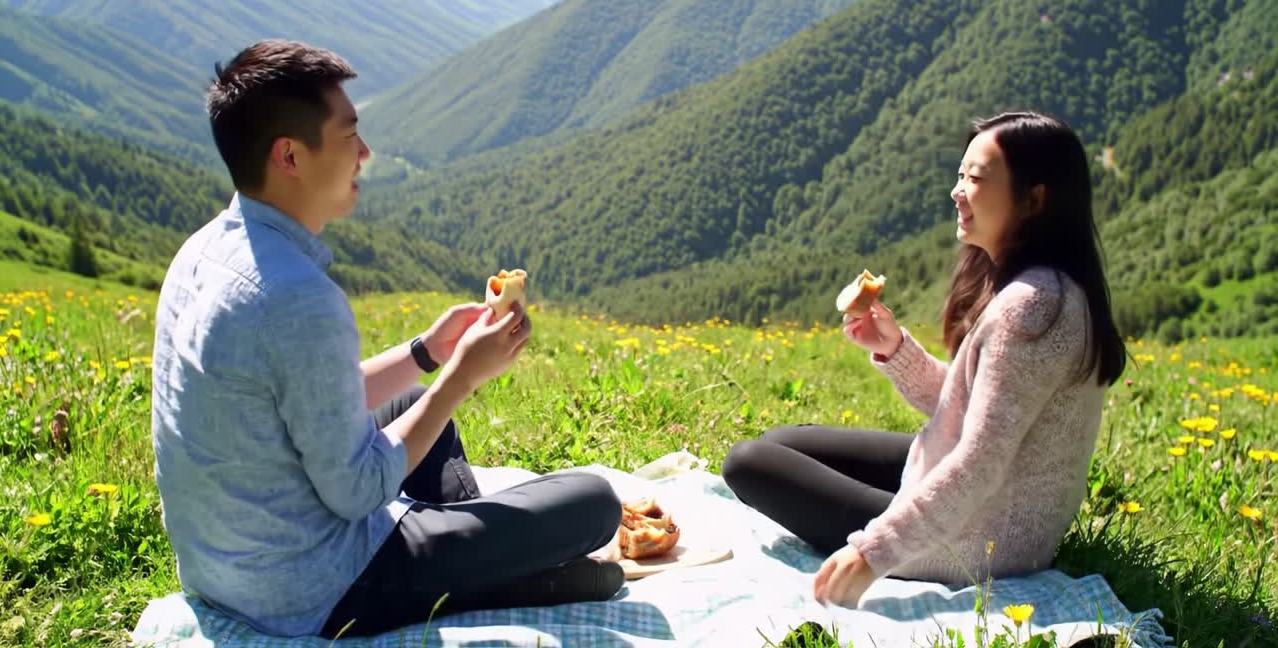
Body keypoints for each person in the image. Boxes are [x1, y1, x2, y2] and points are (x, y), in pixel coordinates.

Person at [150, 40, 624, 639]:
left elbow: (306, 403)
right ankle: (492, 573)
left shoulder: (203, 251)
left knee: (407, 401)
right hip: (316, 588)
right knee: (595, 502)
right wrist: (460, 379)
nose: (365, 152)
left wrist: (427, 352)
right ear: (290, 155)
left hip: (225, 565)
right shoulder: (296, 295)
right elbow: (356, 492)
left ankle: (476, 556)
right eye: (350, 135)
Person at [722, 111, 1126, 608]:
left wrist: (873, 553)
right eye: (960, 175)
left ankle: (896, 525)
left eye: (975, 179)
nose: (957, 191)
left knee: (749, 463)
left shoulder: (1032, 306)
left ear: (1034, 199)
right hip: (992, 504)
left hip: (980, 540)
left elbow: (980, 465)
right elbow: (977, 407)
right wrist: (894, 349)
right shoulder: (1044, 288)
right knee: (783, 443)